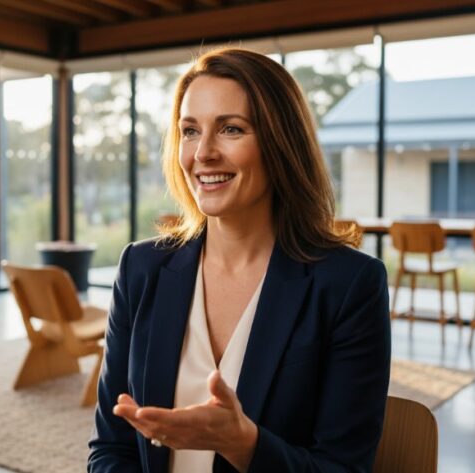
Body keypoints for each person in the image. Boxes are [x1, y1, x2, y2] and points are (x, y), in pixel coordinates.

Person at [88, 47, 390, 473]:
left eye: (231, 129)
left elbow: (342, 468)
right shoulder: (140, 268)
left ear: (281, 143)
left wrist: (245, 444)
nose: (203, 153)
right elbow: (110, 450)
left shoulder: (349, 284)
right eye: (190, 131)